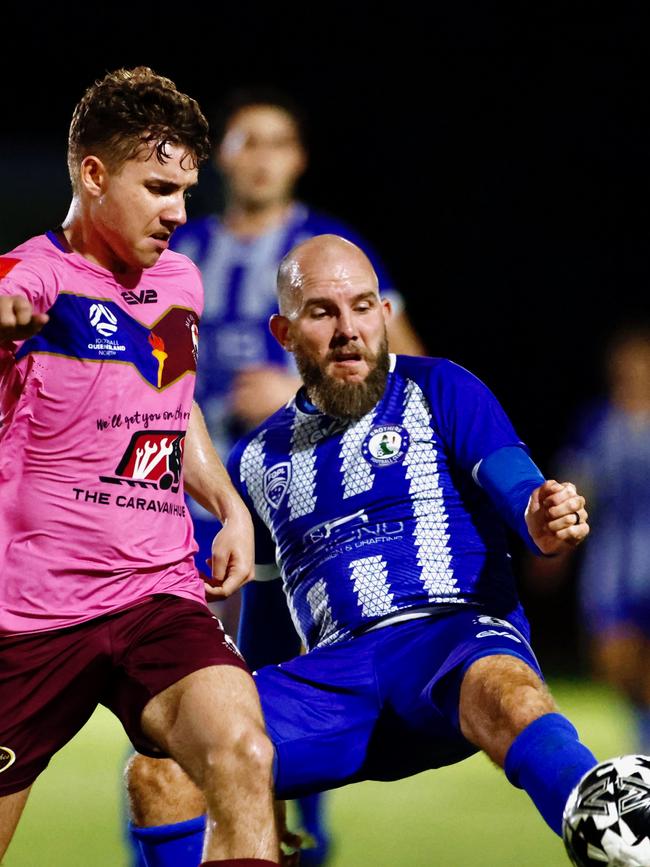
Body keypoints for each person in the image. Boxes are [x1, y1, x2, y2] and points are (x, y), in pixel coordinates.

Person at [125, 234, 600, 866]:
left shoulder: (440, 388)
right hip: (336, 685)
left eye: (363, 306)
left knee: (508, 689)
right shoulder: (255, 460)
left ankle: (614, 830)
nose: (349, 329)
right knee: (161, 770)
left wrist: (537, 514)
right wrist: (255, 780)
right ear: (285, 332)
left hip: (449, 644)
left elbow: (512, 477)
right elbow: (265, 616)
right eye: (323, 312)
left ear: (384, 314)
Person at [0, 66, 282, 867]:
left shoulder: (178, 280)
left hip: (157, 591)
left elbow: (172, 402)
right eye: (159, 187)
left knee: (244, 755)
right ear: (93, 174)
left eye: (189, 188)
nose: (179, 212)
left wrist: (226, 502)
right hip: (32, 615)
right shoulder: (36, 276)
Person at [169, 87, 426, 863]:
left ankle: (291, 845)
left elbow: (405, 366)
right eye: (248, 142)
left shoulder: (330, 246)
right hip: (192, 511)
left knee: (295, 692)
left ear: (298, 159)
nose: (262, 157)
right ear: (225, 159)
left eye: (277, 142)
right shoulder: (183, 250)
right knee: (178, 700)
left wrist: (301, 391)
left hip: (306, 512)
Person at [527, 322, 650, 753]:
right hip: (612, 569)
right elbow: (580, 484)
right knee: (616, 663)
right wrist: (554, 550)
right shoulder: (598, 423)